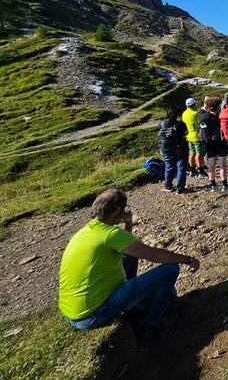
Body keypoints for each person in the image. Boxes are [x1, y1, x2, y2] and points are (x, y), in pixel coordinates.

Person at [58, 189, 200, 332]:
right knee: (170, 269)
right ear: (117, 211)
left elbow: (127, 245)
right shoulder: (110, 235)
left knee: (130, 255)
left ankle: (133, 304)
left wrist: (128, 222)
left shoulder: (86, 232)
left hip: (73, 311)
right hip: (92, 315)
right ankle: (151, 322)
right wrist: (187, 259)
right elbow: (152, 254)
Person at [199, 96, 228, 192]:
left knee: (211, 165)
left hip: (208, 143)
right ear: (218, 106)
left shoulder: (202, 116)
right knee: (222, 165)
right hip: (220, 142)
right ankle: (225, 185)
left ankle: (213, 185)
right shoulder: (220, 116)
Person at [158, 105, 189, 194]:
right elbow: (186, 133)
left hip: (166, 149)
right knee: (181, 168)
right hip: (180, 148)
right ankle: (180, 189)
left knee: (169, 167)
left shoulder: (161, 123)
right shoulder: (181, 124)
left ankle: (168, 186)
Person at [182, 98, 207, 179]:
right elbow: (200, 123)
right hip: (196, 136)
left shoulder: (184, 114)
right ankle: (201, 172)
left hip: (189, 136)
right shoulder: (195, 114)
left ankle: (192, 170)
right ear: (193, 105)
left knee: (192, 153)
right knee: (199, 154)